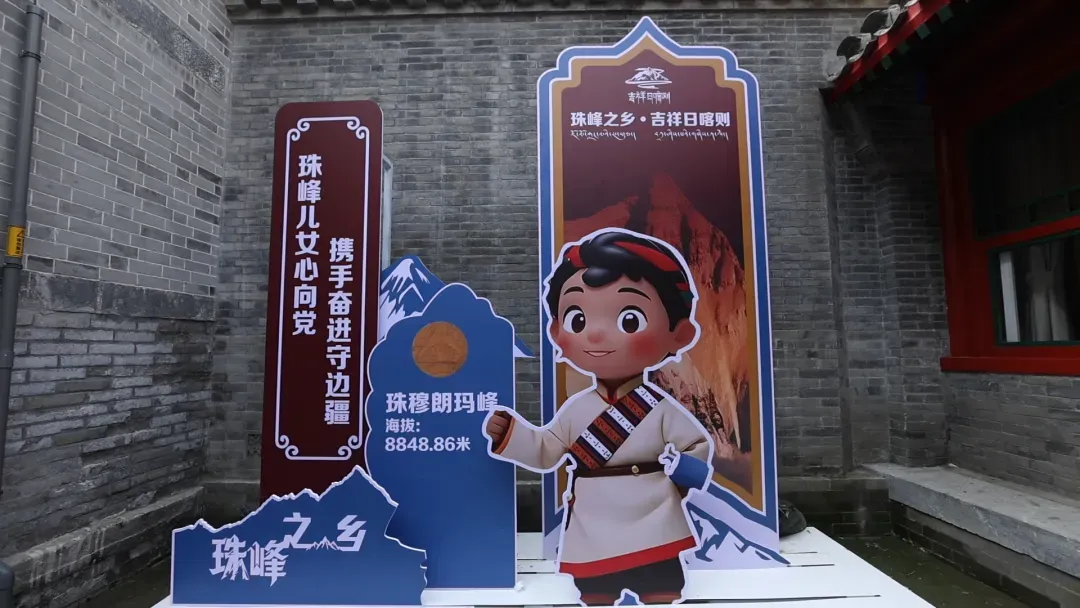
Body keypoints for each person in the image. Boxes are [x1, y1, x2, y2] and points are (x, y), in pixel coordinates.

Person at [483, 229, 714, 606]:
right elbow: (546, 450)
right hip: (593, 519)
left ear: (679, 333)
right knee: (596, 593)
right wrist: (511, 433)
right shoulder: (577, 409)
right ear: (557, 331)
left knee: (661, 588)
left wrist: (679, 480)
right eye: (577, 319)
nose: (596, 334)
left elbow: (697, 445)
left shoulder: (658, 408)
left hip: (653, 513)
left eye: (629, 320)